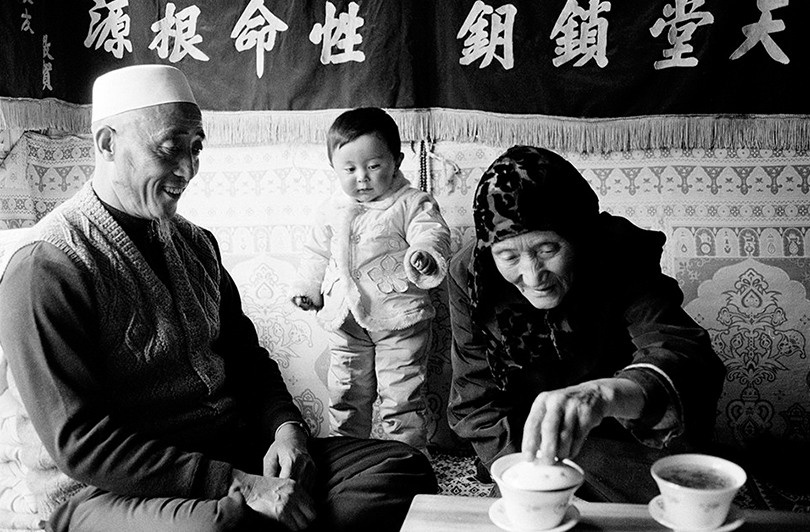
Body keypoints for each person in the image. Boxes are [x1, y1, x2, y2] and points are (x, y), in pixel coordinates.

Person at [0, 65, 437, 532]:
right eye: (170, 149)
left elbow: (247, 360)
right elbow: (80, 443)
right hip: (107, 491)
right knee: (222, 526)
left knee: (401, 468)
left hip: (226, 452)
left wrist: (287, 431)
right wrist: (241, 485)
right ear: (107, 143)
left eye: (196, 149)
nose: (187, 169)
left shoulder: (197, 243)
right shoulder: (47, 266)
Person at [447, 145, 726, 503]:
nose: (533, 277)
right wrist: (526, 481)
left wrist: (603, 395)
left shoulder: (617, 253)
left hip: (624, 428)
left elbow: (677, 348)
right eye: (509, 256)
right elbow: (475, 396)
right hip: (527, 439)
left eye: (547, 249)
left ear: (577, 237)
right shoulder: (471, 276)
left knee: (679, 488)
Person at [291, 108, 451, 455]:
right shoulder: (332, 208)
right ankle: (349, 462)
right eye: (349, 169)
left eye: (373, 166)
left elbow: (432, 232)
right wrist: (308, 290)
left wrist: (423, 252)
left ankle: (408, 464)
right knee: (346, 393)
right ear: (334, 168)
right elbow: (316, 253)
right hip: (346, 320)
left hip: (399, 319)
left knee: (402, 396)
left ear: (396, 160)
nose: (361, 177)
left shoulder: (412, 203)